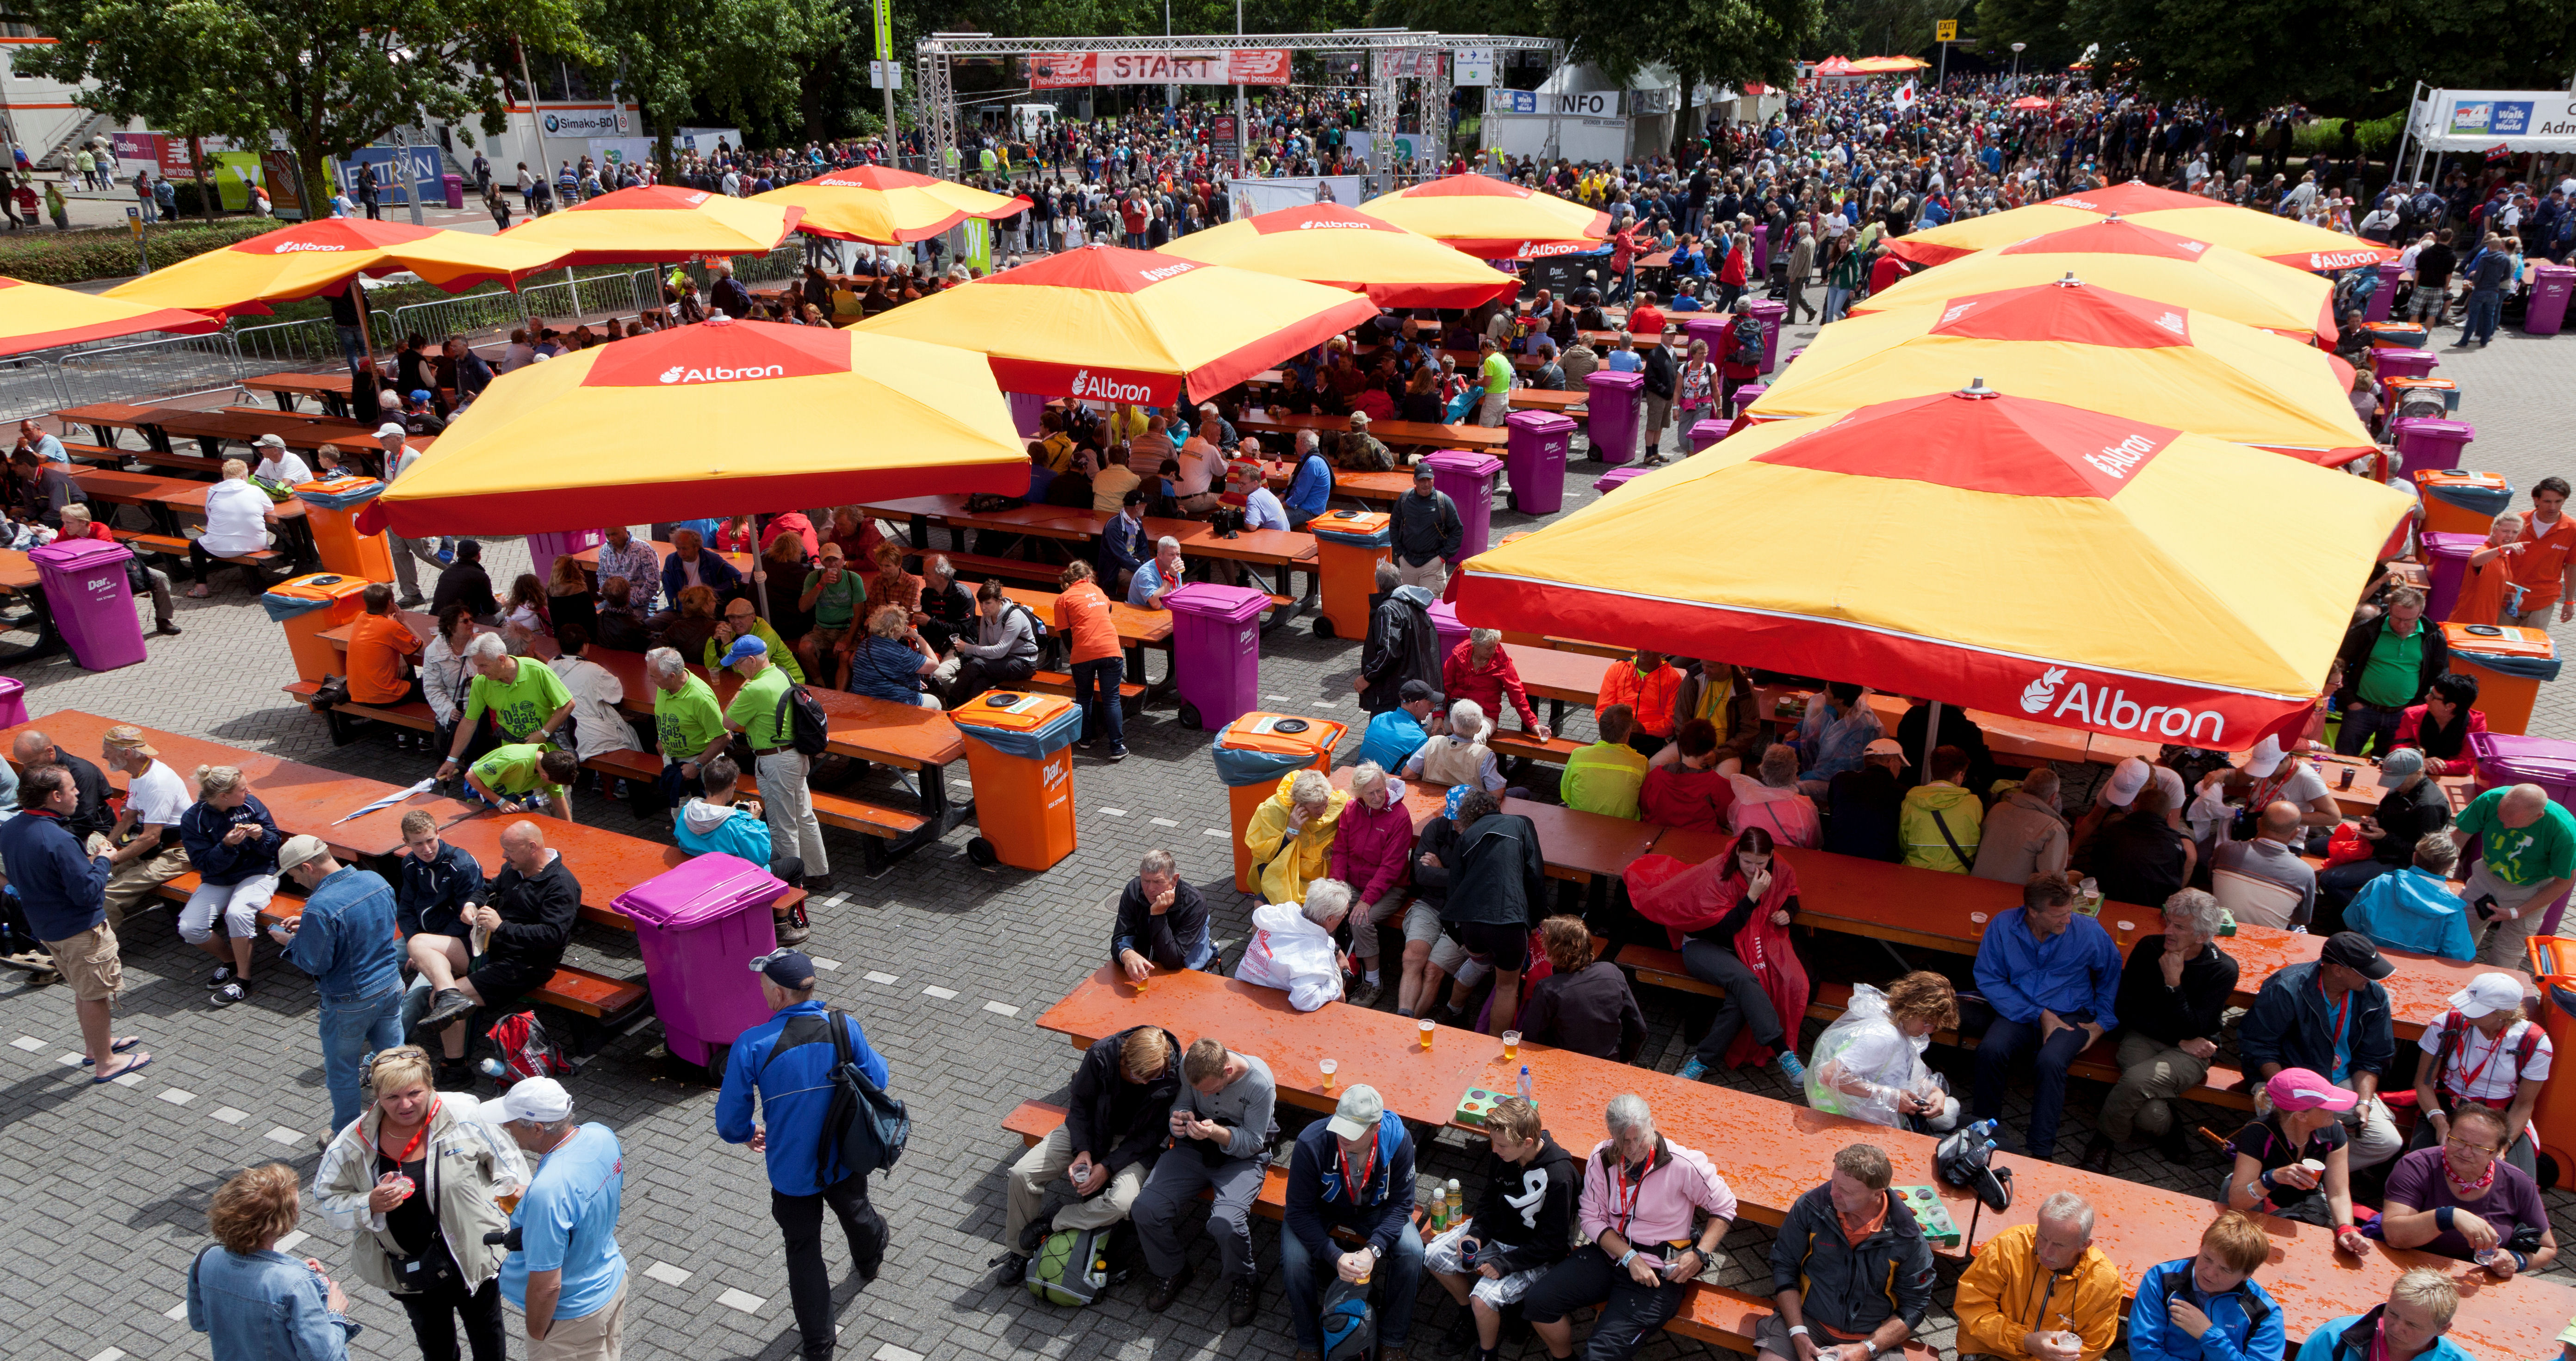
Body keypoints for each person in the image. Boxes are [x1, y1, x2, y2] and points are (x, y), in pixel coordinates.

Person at [717, 950, 892, 1357]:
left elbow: (730, 1122)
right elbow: (878, 1078)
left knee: (803, 1249)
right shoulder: (843, 1026)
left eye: (763, 988)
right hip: (845, 1154)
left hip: (791, 1169)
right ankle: (870, 1259)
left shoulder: (752, 1045)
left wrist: (747, 1133)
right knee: (856, 1208)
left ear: (778, 994)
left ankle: (818, 1344)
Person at [313, 1046, 526, 1361]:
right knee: (435, 1344)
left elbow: (512, 1169)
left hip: (474, 1256)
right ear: (377, 1096)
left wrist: (503, 1213)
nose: (405, 1104)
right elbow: (326, 1200)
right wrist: (367, 1203)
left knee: (488, 1332)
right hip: (409, 1268)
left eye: (415, 1093)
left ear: (430, 1086)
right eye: (392, 1097)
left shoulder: (466, 1115)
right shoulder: (352, 1142)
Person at [995, 1024, 1178, 1282]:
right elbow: (1080, 1105)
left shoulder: (1171, 1073)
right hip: (1089, 1130)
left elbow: (1153, 1135)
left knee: (1123, 1203)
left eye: (1153, 1077)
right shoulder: (1101, 1054)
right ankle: (1020, 1250)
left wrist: (1108, 1167)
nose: (1147, 1083)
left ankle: (1054, 1221)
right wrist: (1082, 1152)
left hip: (1133, 1146)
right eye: (1139, 1077)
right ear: (1123, 1059)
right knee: (1022, 1173)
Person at [0, 763, 149, 1079]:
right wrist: (104, 861)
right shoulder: (58, 839)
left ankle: (97, 1046)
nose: (78, 792)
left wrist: (85, 865)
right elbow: (88, 894)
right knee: (95, 993)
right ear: (55, 796)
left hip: (47, 927)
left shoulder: (11, 829)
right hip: (81, 930)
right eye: (72, 788)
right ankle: (106, 1062)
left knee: (83, 988)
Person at [2083, 889, 2240, 1170]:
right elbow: (2126, 1010)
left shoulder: (2222, 969)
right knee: (2149, 1114)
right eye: (2168, 922)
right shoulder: (2149, 948)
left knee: (2133, 1082)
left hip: (2196, 1051)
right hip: (2147, 1036)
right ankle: (2171, 1130)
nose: (2167, 931)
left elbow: (2198, 1028)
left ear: (2202, 936)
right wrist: (2180, 1040)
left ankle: (2103, 1141)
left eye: (2179, 927)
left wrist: (2173, 983)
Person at [1971, 875, 2121, 1159]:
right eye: (2059, 915)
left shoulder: (2087, 930)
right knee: (1990, 1050)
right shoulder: (2003, 925)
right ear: (2033, 912)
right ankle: (1983, 1134)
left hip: (2072, 1013)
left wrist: (2103, 1022)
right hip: (2021, 1008)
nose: (2067, 921)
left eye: (2069, 912)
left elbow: (2111, 973)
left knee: (2050, 1062)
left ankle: (2041, 1153)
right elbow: (1989, 979)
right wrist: (2039, 1013)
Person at [1134, 1038, 1279, 1325]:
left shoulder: (1260, 1084)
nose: (1205, 1095)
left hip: (1243, 1159)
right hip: (1195, 1148)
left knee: (1226, 1222)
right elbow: (1182, 1104)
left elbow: (1253, 1142)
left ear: (1227, 1071)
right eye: (1199, 1089)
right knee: (1145, 1208)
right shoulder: (1193, 1065)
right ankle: (1172, 1270)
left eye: (1211, 1090)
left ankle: (1245, 1280)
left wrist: (1217, 1133)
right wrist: (1176, 1121)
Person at [269, 836, 406, 1137]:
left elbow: (315, 963)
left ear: (307, 867)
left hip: (350, 1001)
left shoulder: (321, 906)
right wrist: (310, 928)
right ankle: (407, 1123)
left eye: (295, 875)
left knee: (343, 1069)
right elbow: (363, 928)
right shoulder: (375, 879)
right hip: (391, 985)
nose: (295, 880)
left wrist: (291, 942)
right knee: (395, 1063)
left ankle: (345, 1134)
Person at [1425, 1093, 1576, 1361]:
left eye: (1502, 1145)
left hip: (1533, 1253)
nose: (1494, 1150)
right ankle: (1470, 1317)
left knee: (1482, 1300)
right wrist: (1477, 1234)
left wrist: (1504, 1264)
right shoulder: (1503, 1152)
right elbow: (1488, 1199)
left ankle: (1488, 1353)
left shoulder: (1558, 1177)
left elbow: (1553, 1243)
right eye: (1493, 1143)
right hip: (1498, 1236)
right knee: (1434, 1255)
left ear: (1528, 1142)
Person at [1281, 1084, 1425, 1360]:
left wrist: (1373, 1250)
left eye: (1352, 1131)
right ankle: (1310, 1344)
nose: (1342, 1137)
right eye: (1340, 1126)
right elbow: (1298, 1211)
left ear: (1376, 1128)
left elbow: (1402, 1205)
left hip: (1376, 1210)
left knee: (1412, 1252)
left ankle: (1392, 1340)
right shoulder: (1311, 1142)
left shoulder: (1400, 1141)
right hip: (1318, 1210)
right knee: (1295, 1261)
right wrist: (1333, 1255)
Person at [2236, 932, 2402, 1170]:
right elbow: (2259, 1047)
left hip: (2340, 1081)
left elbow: (2372, 1058)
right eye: (2365, 971)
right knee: (2288, 1135)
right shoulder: (2286, 987)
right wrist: (2286, 1092)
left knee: (2386, 1141)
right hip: (2285, 1080)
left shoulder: (2374, 996)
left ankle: (2312, 1171)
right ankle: (2273, 1175)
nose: (2373, 979)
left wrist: (2364, 1103)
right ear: (2337, 970)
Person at [1753, 1143, 1933, 1361]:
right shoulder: (1811, 1207)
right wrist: (1798, 1334)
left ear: (1877, 1193)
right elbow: (1784, 1266)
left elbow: (1915, 1305)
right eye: (1834, 1181)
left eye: (1845, 1191)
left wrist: (1865, 1349)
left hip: (1871, 1335)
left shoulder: (1907, 1237)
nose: (1833, 1193)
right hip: (1807, 1320)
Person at [409, 821, 581, 1047]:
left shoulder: (561, 885)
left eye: (509, 849)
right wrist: (472, 903)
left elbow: (552, 935)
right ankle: (450, 994)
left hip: (524, 966)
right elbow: (489, 890)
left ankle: (456, 1068)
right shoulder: (514, 869)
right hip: (491, 948)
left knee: (437, 1000)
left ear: (532, 847)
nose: (503, 855)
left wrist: (501, 927)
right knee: (419, 942)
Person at [491, 1077, 628, 1358]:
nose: (506, 1127)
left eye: (512, 1122)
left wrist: (538, 1334)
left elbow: (547, 1286)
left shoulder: (550, 1192)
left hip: (570, 1317)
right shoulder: (599, 1134)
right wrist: (533, 1196)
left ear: (538, 1129)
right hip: (611, 1280)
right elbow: (586, 1190)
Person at [187, 1163, 361, 1359]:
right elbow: (324, 1357)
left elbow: (200, 1322)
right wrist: (335, 1312)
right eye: (294, 1208)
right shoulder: (296, 1285)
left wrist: (290, 1271)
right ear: (280, 1224)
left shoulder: (206, 1258)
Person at [2408, 971, 2551, 1177]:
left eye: (2475, 1008)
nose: (2464, 1011)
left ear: (2504, 1013)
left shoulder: (2536, 1043)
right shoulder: (2446, 1024)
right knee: (2420, 1172)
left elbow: (2523, 1105)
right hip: (2449, 1105)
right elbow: (2423, 1084)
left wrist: (2503, 1146)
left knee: (2518, 1181)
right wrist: (2440, 1124)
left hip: (2502, 1114)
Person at [1955, 1191, 2124, 1361]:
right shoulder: (2006, 1246)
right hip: (1993, 1350)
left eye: (2059, 1245)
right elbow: (1972, 1308)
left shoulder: (2105, 1281)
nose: (2046, 1252)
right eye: (2042, 1237)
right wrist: (2024, 1341)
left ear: (2084, 1245)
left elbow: (2093, 1346)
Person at [718, 635, 832, 887]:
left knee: (783, 826)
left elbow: (726, 722)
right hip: (796, 755)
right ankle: (818, 874)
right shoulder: (781, 674)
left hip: (776, 761)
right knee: (804, 816)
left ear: (750, 660)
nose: (736, 669)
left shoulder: (754, 688)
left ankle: (793, 884)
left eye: (738, 664)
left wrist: (742, 688)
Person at [2219, 1067, 2375, 1246]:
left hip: (2303, 1206)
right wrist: (2272, 1178)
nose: (2334, 1109)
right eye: (2326, 1106)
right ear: (2301, 1116)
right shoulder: (2257, 1133)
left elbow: (2338, 1193)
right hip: (2253, 1203)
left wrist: (2347, 1228)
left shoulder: (2334, 1132)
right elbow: (2238, 1201)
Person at [179, 764, 282, 1008]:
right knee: (189, 927)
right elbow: (204, 864)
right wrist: (226, 846)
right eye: (242, 789)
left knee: (238, 912)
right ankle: (231, 960)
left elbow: (274, 844)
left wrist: (261, 836)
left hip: (258, 873)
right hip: (220, 879)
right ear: (224, 796)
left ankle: (243, 979)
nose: (249, 792)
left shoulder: (251, 804)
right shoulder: (194, 818)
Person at [1804, 971, 1959, 1130]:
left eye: (1936, 1025)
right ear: (1911, 1008)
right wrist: (1890, 1096)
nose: (1930, 1030)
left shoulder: (1900, 1028)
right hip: (1840, 1119)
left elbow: (1904, 1076)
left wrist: (1936, 1091)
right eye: (1927, 1022)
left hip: (1862, 1117)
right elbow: (1830, 1075)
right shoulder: (1884, 1037)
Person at [2124, 1211, 2283, 1361]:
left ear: (2247, 1275)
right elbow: (2144, 1352)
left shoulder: (2265, 1313)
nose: (2210, 1273)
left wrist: (2208, 1334)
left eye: (2225, 1269)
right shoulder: (2160, 1279)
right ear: (2201, 1247)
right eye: (2207, 1258)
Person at [2450, 781, 2576, 969]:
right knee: (2459, 937)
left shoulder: (2565, 833)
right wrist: (2439, 876)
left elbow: (2563, 883)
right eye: (2501, 820)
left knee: (2507, 954)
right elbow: (2459, 836)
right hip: (2487, 876)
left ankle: (2496, 992)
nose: (2506, 827)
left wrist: (2518, 912)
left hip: (2532, 889)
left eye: (2513, 824)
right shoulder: (2490, 800)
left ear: (2539, 816)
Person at [2322, 747, 2452, 922]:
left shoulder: (2429, 806)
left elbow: (2424, 856)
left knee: (2329, 880)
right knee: (2316, 846)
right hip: (2380, 846)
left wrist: (2384, 837)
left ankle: (2369, 922)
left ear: (2418, 772)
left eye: (2398, 779)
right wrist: (2372, 822)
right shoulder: (2401, 788)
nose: (2393, 784)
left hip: (2400, 862)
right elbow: (2381, 810)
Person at [1331, 761, 1418, 1008]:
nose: (1378, 797)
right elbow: (1340, 851)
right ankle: (1328, 964)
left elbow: (1391, 868)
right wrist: (1336, 888)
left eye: (1381, 790)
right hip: (1354, 883)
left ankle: (1373, 983)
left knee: (1361, 920)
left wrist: (1366, 900)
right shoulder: (1350, 810)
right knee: (1324, 908)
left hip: (1390, 888)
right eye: (1370, 793)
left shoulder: (1400, 817)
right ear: (1359, 794)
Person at [435, 634, 575, 776]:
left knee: (555, 790)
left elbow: (568, 704)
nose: (480, 672)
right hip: (513, 748)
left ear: (501, 659)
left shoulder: (537, 670)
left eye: (483, 665)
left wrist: (544, 733)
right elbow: (470, 721)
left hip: (548, 744)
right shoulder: (481, 682)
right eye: (477, 666)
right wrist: (451, 760)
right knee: (519, 794)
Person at [2332, 588, 2447, 756]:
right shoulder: (2368, 629)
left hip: (2402, 715)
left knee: (2391, 767)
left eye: (2408, 620)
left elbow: (2440, 676)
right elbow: (2337, 664)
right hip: (2361, 711)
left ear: (2420, 614)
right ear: (2390, 610)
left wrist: (2417, 708)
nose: (2401, 625)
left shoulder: (2434, 636)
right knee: (2344, 758)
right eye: (2396, 618)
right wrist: (2351, 701)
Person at [97, 725, 191, 928]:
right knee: (94, 881)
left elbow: (151, 838)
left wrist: (110, 861)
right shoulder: (138, 774)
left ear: (127, 753)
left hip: (179, 851)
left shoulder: (157, 783)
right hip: (158, 846)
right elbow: (128, 819)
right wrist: (103, 848)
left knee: (109, 896)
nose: (104, 756)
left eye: (108, 750)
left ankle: (98, 954)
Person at [1519, 915, 1647, 1062]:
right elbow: (1639, 1028)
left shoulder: (1548, 988)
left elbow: (1532, 1040)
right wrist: (1623, 1059)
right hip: (1609, 1063)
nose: (1543, 945)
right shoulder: (1612, 972)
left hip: (1563, 1066)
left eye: (1546, 943)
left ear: (1557, 952)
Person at [54, 503, 180, 635]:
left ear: (83, 522)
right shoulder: (66, 532)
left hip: (115, 571)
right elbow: (55, 550)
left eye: (69, 522)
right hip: (86, 577)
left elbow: (102, 555)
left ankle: (163, 620)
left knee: (160, 577)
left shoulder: (100, 529)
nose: (65, 526)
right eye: (64, 522)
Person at [2347, 833, 2478, 961]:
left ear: (2415, 857)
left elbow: (2352, 921)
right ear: (2449, 867)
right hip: (2419, 973)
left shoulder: (2381, 883)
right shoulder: (2452, 910)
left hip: (2370, 960)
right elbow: (2459, 956)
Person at [2294, 1271, 2472, 1361]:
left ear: (2442, 1329)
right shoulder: (2334, 1337)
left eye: (2412, 1325)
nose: (2394, 1328)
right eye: (2393, 1313)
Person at [1238, 878, 1354, 1013]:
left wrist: (1337, 952)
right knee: (1334, 981)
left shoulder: (1285, 912)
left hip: (1247, 980)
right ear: (1330, 919)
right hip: (1267, 1006)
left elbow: (1309, 931)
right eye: (1343, 916)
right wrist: (1336, 991)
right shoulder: (1316, 957)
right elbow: (1303, 1001)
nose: (1344, 917)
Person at [1245, 769, 1350, 907]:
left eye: (1326, 804)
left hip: (1323, 873)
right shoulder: (1273, 810)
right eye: (1317, 807)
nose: (1323, 811)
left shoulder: (1336, 802)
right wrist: (1290, 833)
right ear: (1299, 804)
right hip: (1289, 872)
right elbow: (1265, 854)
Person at [1054, 560, 1126, 760]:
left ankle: (1085, 740)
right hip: (1111, 649)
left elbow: (1065, 635)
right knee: (1112, 698)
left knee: (1084, 697)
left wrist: (1077, 653)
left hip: (1083, 653)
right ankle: (1117, 748)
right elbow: (1107, 611)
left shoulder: (1063, 599)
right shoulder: (1098, 591)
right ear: (1088, 577)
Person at [2212, 801, 2320, 930]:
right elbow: (2301, 918)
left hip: (2223, 932)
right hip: (2267, 943)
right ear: (2295, 834)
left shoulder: (2226, 850)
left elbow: (2210, 877)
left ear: (2259, 824)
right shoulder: (2306, 873)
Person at [644, 646, 725, 812]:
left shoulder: (701, 698)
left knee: (705, 816)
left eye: (654, 677)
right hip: (674, 761)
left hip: (701, 765)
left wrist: (696, 766)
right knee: (679, 814)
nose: (651, 680)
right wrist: (661, 738)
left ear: (672, 677)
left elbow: (724, 738)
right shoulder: (664, 686)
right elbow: (665, 712)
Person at [1111, 848, 1213, 978]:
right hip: (1144, 971)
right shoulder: (1134, 890)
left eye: (1158, 882)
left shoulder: (1194, 903)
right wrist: (1126, 954)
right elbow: (1120, 937)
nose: (1150, 889)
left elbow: (1172, 962)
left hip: (1185, 974)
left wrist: (1158, 915)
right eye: (1145, 881)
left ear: (1175, 880)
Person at [2092, 786, 2197, 911]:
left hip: (2108, 901)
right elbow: (2175, 881)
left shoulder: (2110, 832)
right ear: (2168, 816)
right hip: (2152, 908)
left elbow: (2095, 864)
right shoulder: (2175, 845)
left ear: (2135, 808)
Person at [1356, 567, 1440, 713]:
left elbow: (1389, 652)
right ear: (1400, 581)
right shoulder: (1415, 605)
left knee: (1382, 732)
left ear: (1379, 586)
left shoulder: (1387, 610)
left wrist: (1367, 677)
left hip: (1391, 693)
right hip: (1411, 688)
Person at [1444, 629, 1550, 743]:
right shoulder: (1459, 655)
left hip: (1485, 716)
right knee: (1429, 728)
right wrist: (1438, 716)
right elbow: (1444, 688)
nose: (1493, 651)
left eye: (1495, 646)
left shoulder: (1502, 662)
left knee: (1473, 741)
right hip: (1455, 711)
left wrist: (1533, 724)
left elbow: (1517, 695)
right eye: (1489, 648)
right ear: (1475, 645)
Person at [188, 459, 272, 594]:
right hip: (256, 544)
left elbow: (209, 514)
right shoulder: (255, 490)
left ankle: (201, 588)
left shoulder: (214, 491)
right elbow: (270, 507)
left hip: (222, 548)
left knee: (194, 546)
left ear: (224, 476)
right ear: (244, 476)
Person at [1974, 767, 2070, 883]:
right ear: (2053, 797)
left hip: (1975, 884)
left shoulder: (1997, 809)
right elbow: (2052, 881)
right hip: (2015, 896)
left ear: (2023, 788)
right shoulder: (2053, 829)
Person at [1898, 745, 1982, 873]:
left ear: (1933, 772)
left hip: (1915, 873)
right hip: (1958, 878)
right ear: (1960, 775)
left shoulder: (1911, 800)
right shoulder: (1973, 803)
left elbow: (1903, 845)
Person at [1639, 720, 1733, 832]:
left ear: (1680, 745)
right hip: (1702, 840)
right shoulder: (1718, 784)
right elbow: (1725, 817)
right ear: (1709, 751)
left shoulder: (1656, 775)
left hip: (1659, 835)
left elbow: (1644, 804)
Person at [2507, 477, 2576, 628]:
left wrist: (2570, 601)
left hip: (2542, 601)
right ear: (2536, 500)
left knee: (2531, 648)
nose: (2553, 507)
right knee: (2499, 646)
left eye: (2558, 501)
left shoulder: (2572, 529)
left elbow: (2571, 567)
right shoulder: (2517, 523)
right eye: (2547, 502)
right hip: (2507, 599)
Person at [1823, 737, 1907, 861]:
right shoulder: (1903, 793)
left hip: (1836, 856)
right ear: (1891, 762)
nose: (1900, 771)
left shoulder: (1840, 780)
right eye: (1901, 766)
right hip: (1881, 864)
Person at [1789, 683, 1882, 792]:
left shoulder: (1862, 729)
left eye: (1828, 691)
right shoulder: (1832, 708)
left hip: (1840, 782)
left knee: (1795, 788)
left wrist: (1802, 778)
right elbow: (1815, 719)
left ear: (1840, 700)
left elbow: (1838, 769)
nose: (1823, 693)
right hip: (1821, 768)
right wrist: (1798, 730)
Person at [1564, 705, 1653, 819]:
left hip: (1581, 825)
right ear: (1628, 732)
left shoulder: (1578, 755)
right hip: (1623, 830)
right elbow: (1643, 803)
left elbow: (1567, 795)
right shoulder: (1641, 762)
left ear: (1600, 728)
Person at [1727, 743, 1821, 847]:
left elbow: (1736, 830)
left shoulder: (1744, 801)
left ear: (1762, 770)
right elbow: (1812, 844)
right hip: (1790, 860)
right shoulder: (1805, 807)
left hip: (1751, 858)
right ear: (1795, 772)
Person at [2392, 673, 2486, 776]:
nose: (2427, 697)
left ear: (2450, 706)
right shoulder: (2412, 714)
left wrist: (2429, 766)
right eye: (2430, 692)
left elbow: (2466, 764)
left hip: (2455, 778)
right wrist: (2420, 762)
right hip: (2414, 774)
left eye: (2433, 696)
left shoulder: (2477, 723)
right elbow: (2398, 749)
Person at [1390, 465, 1462, 593]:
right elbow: (1394, 525)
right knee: (1409, 607)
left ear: (1434, 479)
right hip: (1408, 563)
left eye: (1429, 480)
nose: (1426, 484)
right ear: (1414, 481)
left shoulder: (1443, 502)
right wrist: (1399, 553)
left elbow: (1457, 531)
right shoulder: (1405, 499)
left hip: (1432, 564)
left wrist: (1443, 557)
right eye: (1422, 480)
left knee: (1429, 608)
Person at [1600, 651, 1681, 756]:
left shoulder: (1672, 678)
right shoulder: (1617, 669)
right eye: (1642, 644)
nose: (1644, 650)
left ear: (1660, 650)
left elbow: (1671, 725)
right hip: (1616, 735)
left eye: (1650, 646)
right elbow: (1602, 711)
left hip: (1650, 740)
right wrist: (1622, 727)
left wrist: (1644, 728)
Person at [1354, 680, 1438, 773]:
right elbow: (1412, 774)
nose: (1433, 706)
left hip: (1360, 776)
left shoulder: (1379, 718)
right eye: (1430, 702)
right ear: (1417, 704)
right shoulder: (1419, 739)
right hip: (1385, 784)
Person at [430, 538, 502, 623]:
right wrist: (500, 604)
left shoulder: (446, 573)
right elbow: (490, 609)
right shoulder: (480, 576)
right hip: (457, 624)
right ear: (479, 556)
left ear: (457, 554)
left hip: (435, 620)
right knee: (501, 617)